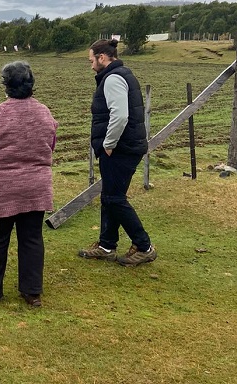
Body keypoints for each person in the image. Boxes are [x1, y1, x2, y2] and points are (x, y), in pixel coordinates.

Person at [0, 61, 58, 307]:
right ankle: (32, 292)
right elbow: (50, 144)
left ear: (6, 85)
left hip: (1, 190)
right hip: (35, 188)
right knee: (32, 238)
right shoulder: (44, 112)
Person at [78, 39, 157, 267]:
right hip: (125, 147)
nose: (91, 65)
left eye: (91, 60)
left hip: (120, 149)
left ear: (102, 57)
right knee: (110, 196)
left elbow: (120, 115)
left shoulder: (112, 79)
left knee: (115, 198)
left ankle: (144, 246)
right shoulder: (122, 74)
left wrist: (108, 144)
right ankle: (106, 245)